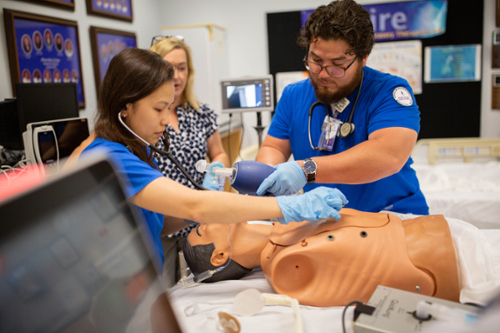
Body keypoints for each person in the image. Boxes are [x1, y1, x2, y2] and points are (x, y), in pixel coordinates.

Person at [71, 47, 347, 274]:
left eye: (169, 107)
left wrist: (206, 197)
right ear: (125, 106)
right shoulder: (107, 158)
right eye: (158, 109)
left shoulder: (137, 149)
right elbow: (194, 206)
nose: (166, 120)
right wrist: (287, 205)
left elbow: (157, 223)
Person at [255, 0, 428, 215]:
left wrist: (305, 170)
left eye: (337, 65)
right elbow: (274, 148)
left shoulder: (389, 92)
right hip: (325, 218)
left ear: (363, 58)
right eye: (315, 60)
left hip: (391, 215)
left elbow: (387, 155)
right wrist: (268, 177)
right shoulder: (293, 95)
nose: (324, 74)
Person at [183, 209, 466, 307]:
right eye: (205, 228)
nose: (211, 217)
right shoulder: (285, 269)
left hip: (436, 236)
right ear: (220, 256)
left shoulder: (280, 232)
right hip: (444, 258)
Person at [149, 36, 230, 284]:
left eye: (182, 68)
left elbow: (218, 152)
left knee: (202, 285)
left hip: (199, 222)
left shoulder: (201, 112)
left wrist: (216, 169)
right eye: (168, 68)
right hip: (162, 222)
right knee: (163, 292)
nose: (176, 76)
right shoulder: (147, 116)